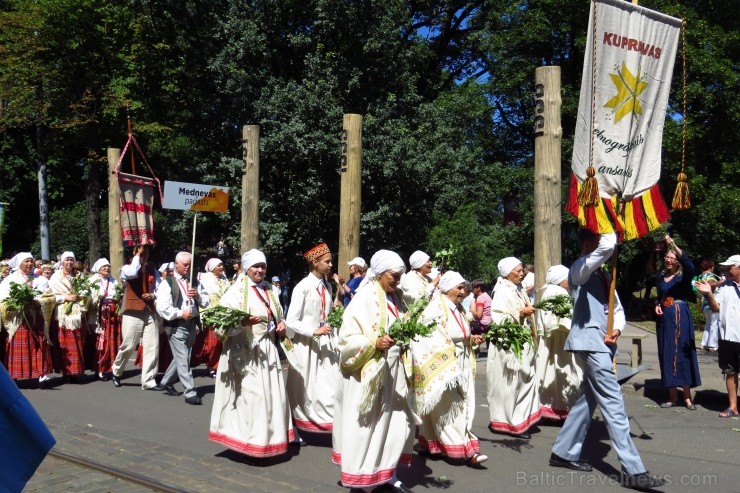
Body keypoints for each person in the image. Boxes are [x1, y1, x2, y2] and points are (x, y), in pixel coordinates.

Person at [550, 230, 665, 491]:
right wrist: (610, 223)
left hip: (604, 342)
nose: (603, 246)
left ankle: (563, 452)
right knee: (613, 402)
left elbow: (617, 310)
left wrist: (617, 329)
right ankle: (633, 469)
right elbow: (605, 248)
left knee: (587, 399)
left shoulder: (604, 274)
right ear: (586, 243)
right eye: (596, 240)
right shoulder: (579, 268)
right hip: (590, 343)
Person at [333, 250, 414, 493]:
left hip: (393, 369)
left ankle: (386, 473)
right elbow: (346, 338)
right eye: (394, 276)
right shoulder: (365, 297)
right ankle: (359, 478)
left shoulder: (397, 297)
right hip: (367, 372)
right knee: (367, 425)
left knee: (392, 423)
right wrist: (374, 343)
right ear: (379, 274)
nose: (398, 280)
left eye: (400, 276)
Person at [209, 249, 295, 457]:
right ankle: (250, 444)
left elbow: (278, 315)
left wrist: (281, 324)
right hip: (244, 352)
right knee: (252, 398)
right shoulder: (236, 291)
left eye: (263, 266)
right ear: (247, 268)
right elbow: (219, 324)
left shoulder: (269, 290)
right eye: (256, 266)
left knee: (270, 397)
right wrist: (241, 322)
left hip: (266, 350)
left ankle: (269, 441)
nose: (260, 270)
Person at [412, 271, 487, 467]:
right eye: (459, 288)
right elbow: (429, 336)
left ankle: (432, 444)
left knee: (448, 406)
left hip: (460, 360)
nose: (463, 292)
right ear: (446, 288)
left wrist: (470, 339)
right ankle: (465, 449)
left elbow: (461, 332)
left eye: (464, 287)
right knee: (455, 406)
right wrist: (452, 350)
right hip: (446, 364)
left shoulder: (457, 308)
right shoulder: (435, 308)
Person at [284, 243, 342, 437]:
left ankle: (333, 424)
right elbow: (291, 320)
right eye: (327, 261)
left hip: (326, 344)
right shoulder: (303, 287)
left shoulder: (326, 284)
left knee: (329, 386)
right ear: (315, 263)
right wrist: (313, 330)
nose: (331, 264)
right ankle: (296, 425)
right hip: (307, 345)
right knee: (305, 387)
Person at [486, 257, 541, 439]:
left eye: (521, 270)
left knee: (525, 379)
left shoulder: (517, 289)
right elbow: (498, 318)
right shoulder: (502, 290)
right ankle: (508, 421)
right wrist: (520, 313)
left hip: (522, 338)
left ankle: (521, 418)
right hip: (508, 344)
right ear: (507, 273)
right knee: (510, 384)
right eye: (518, 270)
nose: (522, 273)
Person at [155, 251, 208, 405]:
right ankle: (190, 392)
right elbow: (162, 308)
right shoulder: (168, 283)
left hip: (192, 324)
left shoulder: (195, 282)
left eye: (190, 264)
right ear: (176, 264)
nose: (188, 267)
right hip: (176, 325)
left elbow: (205, 302)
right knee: (183, 358)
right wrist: (179, 313)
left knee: (183, 356)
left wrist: (197, 296)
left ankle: (166, 381)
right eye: (185, 264)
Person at [654, 235, 700, 409]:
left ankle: (687, 397)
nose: (669, 260)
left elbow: (689, 264)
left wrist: (673, 245)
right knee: (667, 353)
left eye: (672, 258)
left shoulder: (683, 277)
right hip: (665, 318)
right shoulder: (660, 278)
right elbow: (660, 298)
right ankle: (672, 396)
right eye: (667, 257)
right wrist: (657, 305)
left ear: (677, 261)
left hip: (681, 316)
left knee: (682, 353)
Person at [535, 265, 583, 421]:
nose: (570, 281)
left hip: (549, 341)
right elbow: (563, 321)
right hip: (560, 341)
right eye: (567, 279)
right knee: (564, 375)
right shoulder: (559, 292)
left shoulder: (548, 291)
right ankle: (563, 409)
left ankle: (545, 408)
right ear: (560, 280)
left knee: (547, 374)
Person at [0, 252, 54, 387]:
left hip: (37, 316)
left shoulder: (40, 279)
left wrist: (38, 301)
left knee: (39, 344)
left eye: (31, 261)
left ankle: (42, 374)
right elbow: (3, 299)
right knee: (20, 345)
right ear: (20, 264)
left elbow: (50, 296)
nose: (30, 264)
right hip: (19, 319)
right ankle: (14, 375)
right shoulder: (10, 280)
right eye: (27, 261)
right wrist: (19, 303)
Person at [111, 245, 161, 390]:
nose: (144, 255)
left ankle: (148, 380)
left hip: (149, 309)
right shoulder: (127, 268)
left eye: (146, 253)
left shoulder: (153, 270)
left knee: (152, 345)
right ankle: (117, 370)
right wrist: (137, 256)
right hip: (132, 310)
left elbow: (158, 288)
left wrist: (153, 295)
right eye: (141, 252)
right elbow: (133, 272)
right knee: (129, 344)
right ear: (134, 253)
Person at [697, 254, 740, 418]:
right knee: (730, 371)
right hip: (727, 337)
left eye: (731, 267)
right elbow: (716, 308)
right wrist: (709, 294)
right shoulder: (725, 286)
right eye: (726, 267)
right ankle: (733, 406)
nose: (727, 270)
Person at [48, 251, 89, 381]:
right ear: (62, 262)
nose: (70, 262)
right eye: (67, 260)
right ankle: (66, 371)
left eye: (72, 260)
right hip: (62, 314)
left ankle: (75, 371)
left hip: (77, 313)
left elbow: (87, 291)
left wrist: (80, 296)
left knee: (78, 342)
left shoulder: (80, 276)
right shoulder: (55, 277)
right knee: (64, 343)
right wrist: (65, 297)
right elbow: (51, 296)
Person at [192, 258, 228, 377]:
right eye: (219, 265)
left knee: (221, 342)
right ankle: (209, 364)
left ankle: (214, 366)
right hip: (210, 314)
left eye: (222, 265)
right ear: (212, 267)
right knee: (212, 343)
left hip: (224, 315)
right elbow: (202, 298)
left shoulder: (224, 279)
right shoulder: (205, 279)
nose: (222, 267)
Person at [88, 258, 121, 381]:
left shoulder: (113, 280)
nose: (107, 268)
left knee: (113, 340)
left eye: (108, 267)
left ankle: (112, 368)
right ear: (98, 269)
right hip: (100, 313)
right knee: (102, 341)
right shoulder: (92, 280)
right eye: (104, 267)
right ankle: (100, 368)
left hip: (113, 313)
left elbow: (118, 294)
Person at [697, 259, 722, 351]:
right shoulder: (710, 275)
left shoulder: (700, 276)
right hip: (712, 302)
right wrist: (721, 281)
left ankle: (704, 344)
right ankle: (713, 345)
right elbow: (711, 284)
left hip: (704, 303)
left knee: (708, 323)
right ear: (711, 267)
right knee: (714, 324)